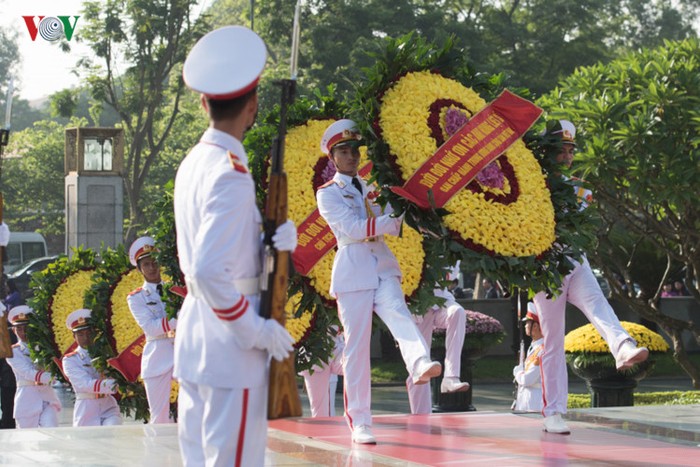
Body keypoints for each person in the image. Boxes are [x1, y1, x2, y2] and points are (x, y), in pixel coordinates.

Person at [174, 25, 297, 467]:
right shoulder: (230, 172)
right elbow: (209, 269)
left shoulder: (194, 162)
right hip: (231, 347)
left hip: (197, 339)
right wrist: (255, 330)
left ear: (203, 102)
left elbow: (215, 252)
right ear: (253, 105)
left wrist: (269, 241)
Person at [316, 119, 442, 444]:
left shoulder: (373, 184)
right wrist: (388, 220)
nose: (351, 156)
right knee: (356, 349)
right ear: (333, 157)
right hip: (353, 269)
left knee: (399, 311)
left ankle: (418, 362)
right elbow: (354, 229)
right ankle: (360, 421)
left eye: (354, 150)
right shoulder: (328, 194)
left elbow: (394, 218)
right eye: (344, 151)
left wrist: (403, 207)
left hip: (382, 265)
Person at [534, 120, 649, 434]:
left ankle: (622, 346)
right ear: (547, 152)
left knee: (599, 305)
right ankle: (553, 413)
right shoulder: (531, 185)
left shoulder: (576, 189)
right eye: (562, 150)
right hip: (545, 268)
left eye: (571, 150)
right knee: (553, 341)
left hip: (575, 260)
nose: (568, 156)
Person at [127, 236, 177, 424]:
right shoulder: (136, 297)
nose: (152, 267)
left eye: (155, 262)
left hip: (182, 350)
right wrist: (178, 319)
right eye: (147, 264)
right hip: (158, 354)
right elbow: (150, 327)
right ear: (140, 269)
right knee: (159, 416)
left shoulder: (174, 289)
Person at [406, 275, 470, 415]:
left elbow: (449, 278)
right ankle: (421, 415)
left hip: (441, 301)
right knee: (420, 368)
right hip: (417, 304)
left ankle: (451, 377)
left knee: (457, 312)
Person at [62, 308, 123, 427]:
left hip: (108, 406)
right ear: (74, 336)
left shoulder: (106, 353)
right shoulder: (70, 360)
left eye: (89, 333)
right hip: (86, 409)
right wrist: (113, 385)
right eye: (80, 334)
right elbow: (84, 384)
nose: (85, 337)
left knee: (112, 432)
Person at [5, 306, 61, 428]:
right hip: (27, 400)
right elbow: (27, 372)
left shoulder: (44, 347)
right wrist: (52, 377)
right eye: (19, 328)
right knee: (28, 441)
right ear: (14, 330)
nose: (23, 332)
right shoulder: (13, 352)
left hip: (47, 398)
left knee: (52, 432)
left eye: (26, 328)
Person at [299, 328, 344, 417]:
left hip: (338, 349)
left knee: (357, 367)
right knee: (320, 413)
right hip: (314, 357)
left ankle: (357, 420)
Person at [512, 303, 544, 413]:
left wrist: (517, 372)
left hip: (535, 403)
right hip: (527, 400)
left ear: (535, 326)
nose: (525, 326)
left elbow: (528, 379)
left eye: (527, 323)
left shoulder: (542, 350)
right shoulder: (534, 347)